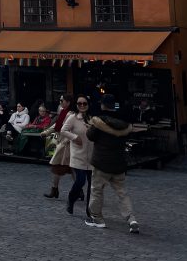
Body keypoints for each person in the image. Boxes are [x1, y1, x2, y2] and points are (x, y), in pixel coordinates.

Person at [85, 94, 138, 233]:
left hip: (101, 162)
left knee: (97, 191)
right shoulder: (124, 122)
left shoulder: (99, 121)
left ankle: (97, 218)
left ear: (103, 105)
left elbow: (90, 136)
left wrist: (90, 126)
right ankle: (131, 219)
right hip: (119, 162)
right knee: (122, 193)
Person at [59, 95, 93, 216]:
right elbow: (63, 130)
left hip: (92, 155)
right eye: (79, 103)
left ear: (88, 104)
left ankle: (90, 210)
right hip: (78, 154)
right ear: (76, 105)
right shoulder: (73, 117)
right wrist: (74, 137)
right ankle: (71, 198)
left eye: (85, 103)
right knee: (80, 181)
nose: (82, 106)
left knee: (92, 184)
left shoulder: (93, 118)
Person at [41, 94, 74, 198]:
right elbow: (57, 125)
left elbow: (69, 129)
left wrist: (66, 141)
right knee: (68, 168)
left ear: (68, 102)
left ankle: (56, 190)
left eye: (61, 100)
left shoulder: (71, 114)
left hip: (66, 145)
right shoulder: (64, 112)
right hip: (63, 143)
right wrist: (46, 132)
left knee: (61, 167)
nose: (60, 102)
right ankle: (56, 189)